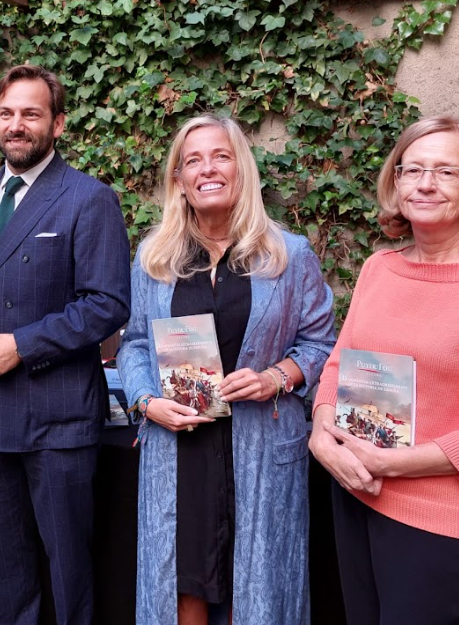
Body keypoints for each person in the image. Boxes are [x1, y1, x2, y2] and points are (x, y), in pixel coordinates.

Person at [309, 115, 459, 625]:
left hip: (438, 520)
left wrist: (391, 463)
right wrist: (322, 436)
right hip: (355, 496)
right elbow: (337, 364)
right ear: (396, 182)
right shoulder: (379, 268)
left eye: (446, 171)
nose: (426, 183)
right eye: (412, 169)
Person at [0, 64, 131, 625]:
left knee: (69, 570)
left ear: (57, 124)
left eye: (31, 114)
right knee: (6, 571)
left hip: (57, 418)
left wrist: (22, 344)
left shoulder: (89, 198)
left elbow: (107, 303)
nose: (16, 125)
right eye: (6, 113)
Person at [118, 113, 336, 625]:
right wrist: (148, 401)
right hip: (180, 447)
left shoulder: (288, 255)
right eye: (193, 160)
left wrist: (274, 378)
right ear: (179, 179)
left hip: (260, 447)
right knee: (180, 585)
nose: (208, 169)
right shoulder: (155, 257)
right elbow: (133, 344)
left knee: (255, 589)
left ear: (242, 168)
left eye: (221, 156)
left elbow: (322, 345)